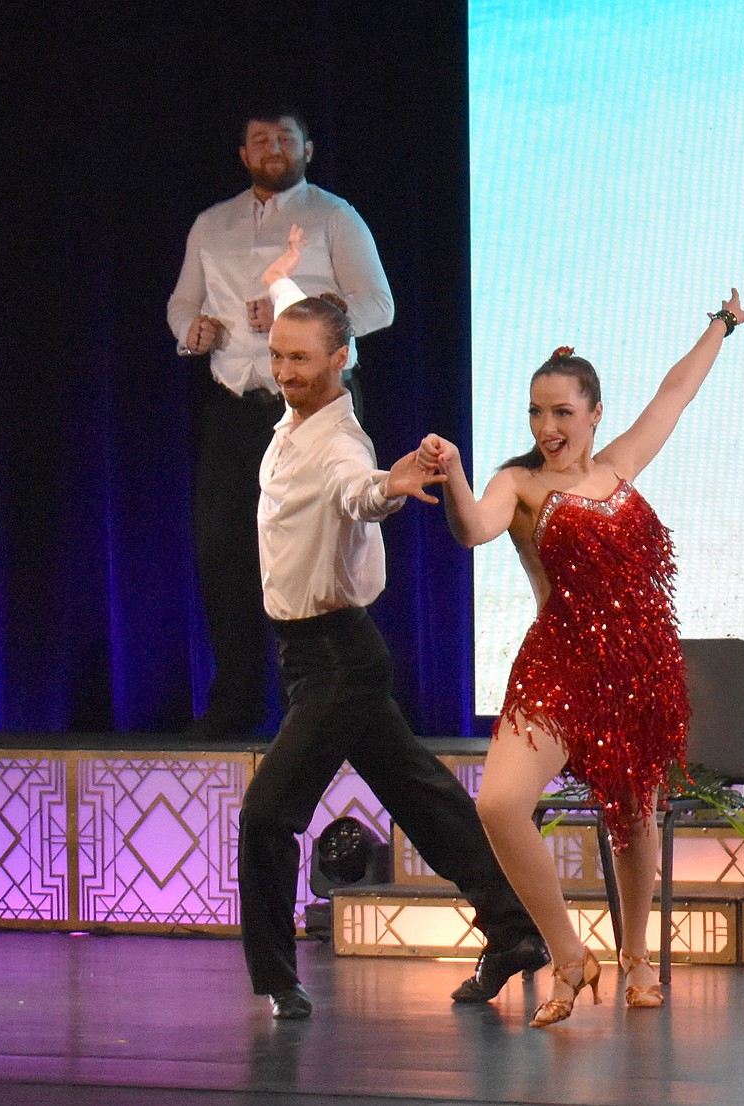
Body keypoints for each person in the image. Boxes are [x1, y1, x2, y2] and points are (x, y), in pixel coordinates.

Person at [416, 293, 744, 1027]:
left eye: (562, 413)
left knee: (632, 815)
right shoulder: (520, 485)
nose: (546, 428)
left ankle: (636, 958)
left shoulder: (621, 463)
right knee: (499, 803)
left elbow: (675, 394)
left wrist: (719, 328)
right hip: (557, 670)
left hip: (634, 673)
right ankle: (568, 953)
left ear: (594, 413)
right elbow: (473, 528)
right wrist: (451, 475)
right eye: (536, 413)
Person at [237, 233, 547, 1019]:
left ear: (340, 361)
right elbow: (299, 321)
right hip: (312, 659)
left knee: (268, 813)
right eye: (277, 355)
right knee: (425, 800)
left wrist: (389, 485)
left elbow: (357, 492)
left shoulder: (341, 441)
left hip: (340, 658)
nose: (283, 370)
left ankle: (277, 979)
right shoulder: (300, 406)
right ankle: (515, 928)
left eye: (299, 360)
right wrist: (281, 285)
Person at [167, 108, 394, 738]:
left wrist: (301, 310)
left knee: (318, 553)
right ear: (243, 153)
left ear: (308, 150)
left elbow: (378, 303)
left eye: (285, 140)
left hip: (314, 412)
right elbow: (183, 301)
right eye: (261, 141)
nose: (274, 150)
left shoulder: (333, 216)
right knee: (226, 551)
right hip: (238, 412)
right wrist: (195, 331)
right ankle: (235, 703)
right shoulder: (213, 224)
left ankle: (323, 702)